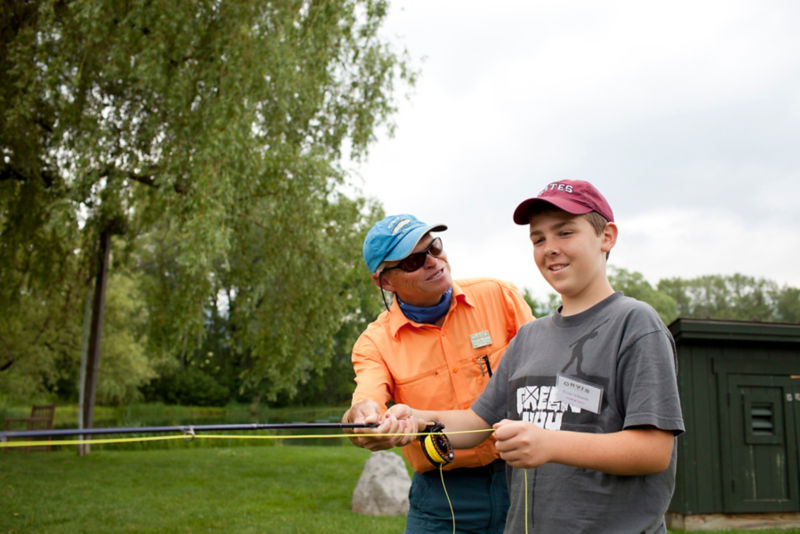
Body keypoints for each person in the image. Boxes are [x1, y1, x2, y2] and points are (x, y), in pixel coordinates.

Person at [387, 180, 685, 533]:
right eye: (538, 239)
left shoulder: (635, 324)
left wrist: (549, 445)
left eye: (565, 233)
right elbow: (476, 424)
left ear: (606, 237)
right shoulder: (529, 337)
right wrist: (418, 418)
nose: (550, 249)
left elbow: (653, 451)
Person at [342, 213, 534, 534]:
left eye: (435, 247)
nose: (433, 261)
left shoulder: (500, 296)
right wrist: (364, 420)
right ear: (384, 282)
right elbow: (366, 406)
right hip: (440, 495)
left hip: (523, 476)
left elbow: (546, 376)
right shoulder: (373, 343)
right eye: (414, 261)